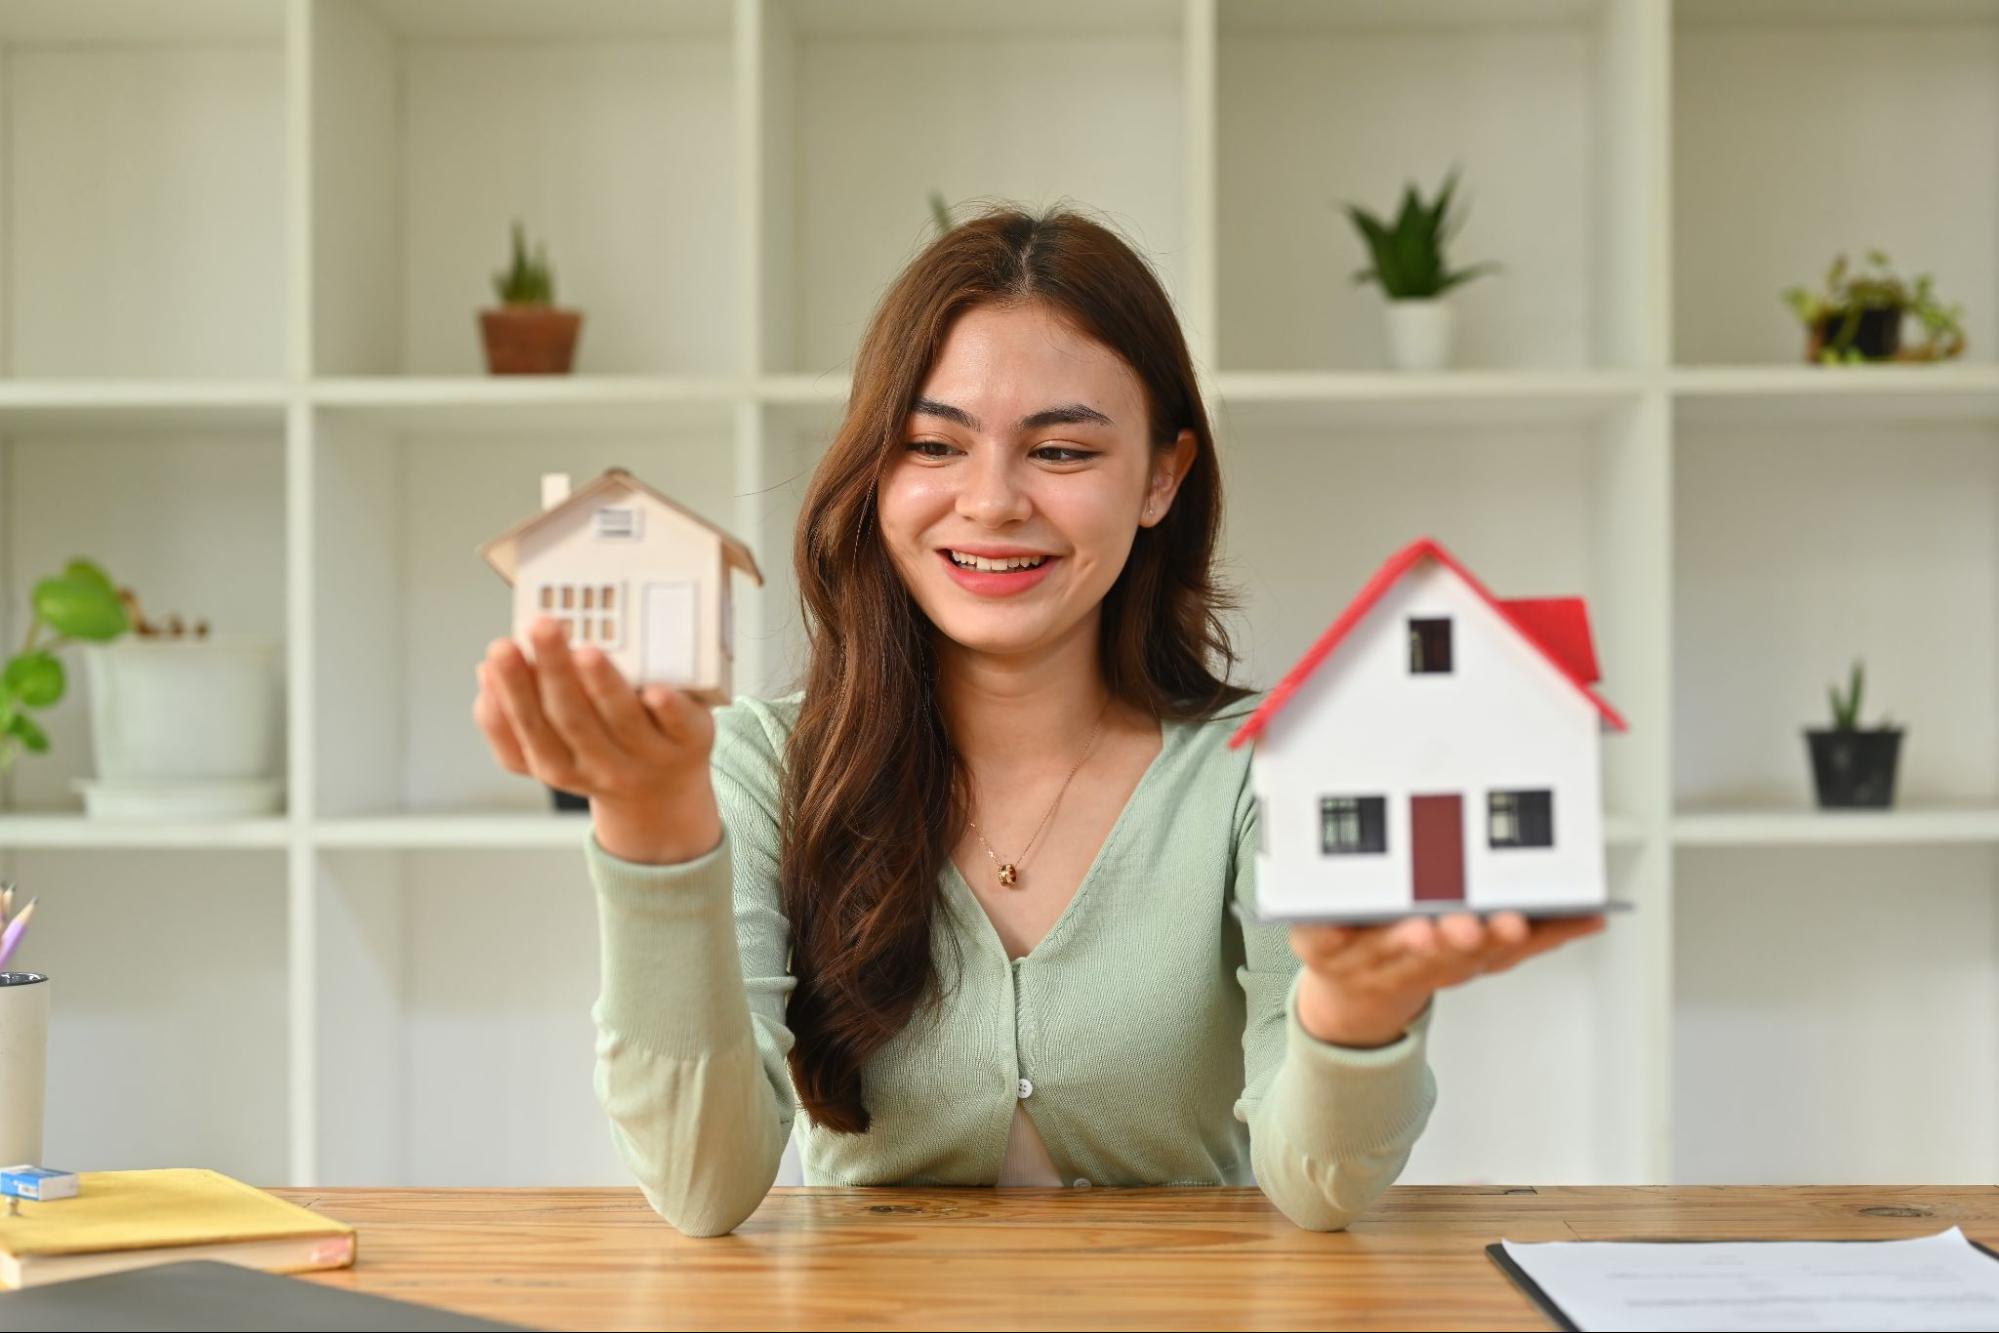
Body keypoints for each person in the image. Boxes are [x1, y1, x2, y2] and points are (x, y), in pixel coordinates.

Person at [473, 205, 1605, 1238]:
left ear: (1162, 478)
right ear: (876, 473)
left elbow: (1319, 1185)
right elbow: (700, 1186)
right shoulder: (764, 764)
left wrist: (1357, 1003)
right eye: (932, 445)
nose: (992, 500)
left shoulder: (1262, 770)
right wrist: (648, 822)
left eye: (1061, 450)